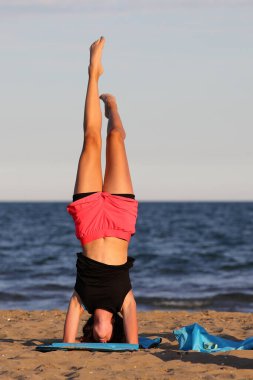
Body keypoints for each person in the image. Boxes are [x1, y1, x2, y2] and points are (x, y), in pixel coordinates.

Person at [63, 36, 139, 344]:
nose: (103, 338)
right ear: (115, 331)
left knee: (91, 140)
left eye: (98, 340)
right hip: (121, 221)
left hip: (90, 221)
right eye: (108, 340)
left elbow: (67, 343)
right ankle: (113, 107)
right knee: (117, 138)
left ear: (91, 333)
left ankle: (93, 73)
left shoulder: (81, 299)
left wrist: (72, 345)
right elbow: (133, 345)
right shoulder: (126, 301)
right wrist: (129, 344)